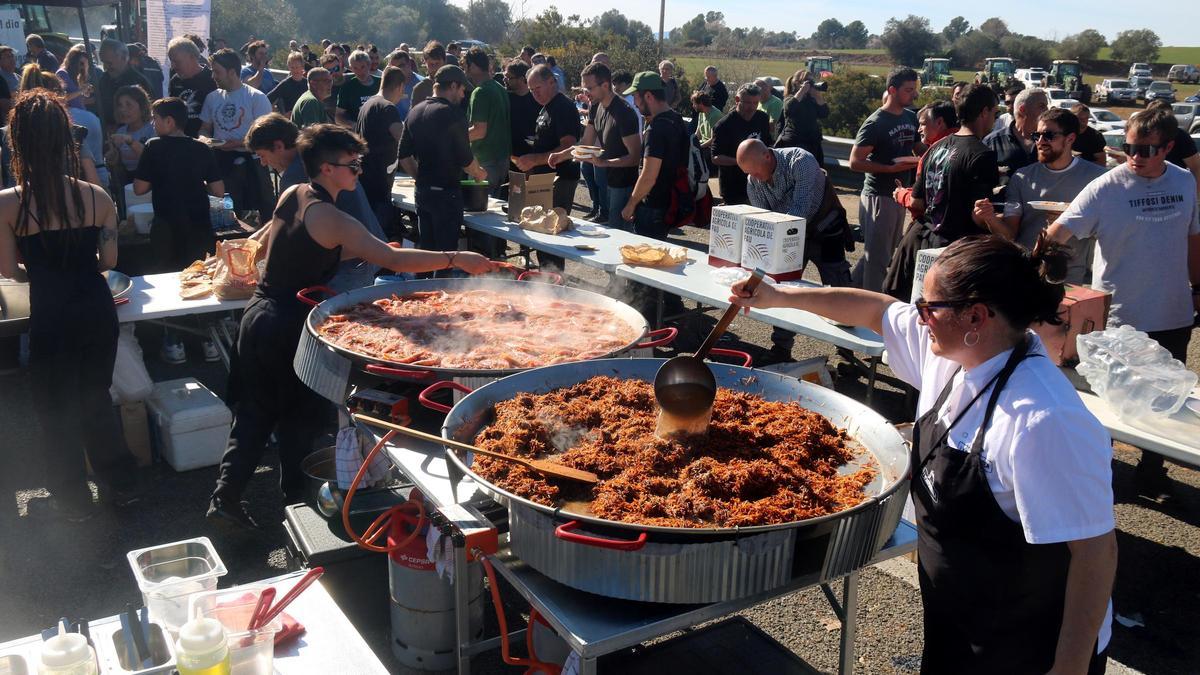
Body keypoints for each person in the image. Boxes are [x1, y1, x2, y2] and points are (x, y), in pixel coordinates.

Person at [729, 235, 1117, 675]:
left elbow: (1094, 553)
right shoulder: (954, 351)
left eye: (928, 308)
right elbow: (875, 310)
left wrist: (1068, 668)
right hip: (958, 618)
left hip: (1028, 645)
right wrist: (779, 296)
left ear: (976, 315)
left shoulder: (1043, 421)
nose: (919, 317)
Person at [209, 123, 498, 528]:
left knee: (254, 413)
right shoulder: (332, 216)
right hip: (290, 326)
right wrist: (456, 258)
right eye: (352, 165)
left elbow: (284, 248)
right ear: (327, 169)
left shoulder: (293, 195)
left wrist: (360, 249)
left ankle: (226, 497)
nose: (358, 172)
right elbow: (393, 262)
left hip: (258, 316)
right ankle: (300, 510)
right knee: (300, 419)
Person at [0, 90, 142, 520]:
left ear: (18, 143)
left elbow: (9, 270)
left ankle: (73, 500)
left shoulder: (8, 202)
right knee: (95, 398)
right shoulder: (97, 197)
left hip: (51, 312)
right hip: (95, 310)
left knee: (54, 408)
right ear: (68, 140)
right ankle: (121, 485)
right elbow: (109, 262)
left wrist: (42, 269)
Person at [1046, 107, 1200, 500]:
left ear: (1168, 147)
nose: (1135, 156)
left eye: (1146, 149)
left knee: (1165, 400)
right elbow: (1057, 233)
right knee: (1111, 401)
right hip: (1119, 319)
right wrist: (1042, 268)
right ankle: (1101, 475)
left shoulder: (1185, 182)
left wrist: (1198, 286)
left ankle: (1151, 473)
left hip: (1172, 311)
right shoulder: (1106, 186)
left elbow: (1193, 238)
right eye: (1128, 146)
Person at [246, 113, 385, 291]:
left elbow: (281, 225)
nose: (264, 163)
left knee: (338, 316)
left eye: (262, 155)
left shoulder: (296, 174)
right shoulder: (311, 156)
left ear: (278, 146)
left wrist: (249, 255)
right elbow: (278, 219)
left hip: (349, 265)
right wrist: (249, 245)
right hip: (362, 253)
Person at [739, 138, 852, 357]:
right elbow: (764, 219)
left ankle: (847, 350)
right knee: (783, 290)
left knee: (839, 289)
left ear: (767, 156)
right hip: (789, 236)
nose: (754, 178)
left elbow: (800, 210)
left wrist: (776, 236)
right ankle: (781, 347)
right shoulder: (753, 180)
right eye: (749, 173)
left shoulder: (800, 161)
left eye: (756, 171)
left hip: (824, 230)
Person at [984, 107, 1107, 284]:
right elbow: (1009, 234)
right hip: (1026, 275)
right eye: (1037, 135)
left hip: (1070, 279)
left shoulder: (1096, 179)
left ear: (1070, 138)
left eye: (1049, 135)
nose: (1040, 142)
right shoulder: (1022, 177)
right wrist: (990, 218)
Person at [396, 65, 487, 262]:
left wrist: (420, 177)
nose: (463, 95)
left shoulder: (415, 112)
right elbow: (466, 160)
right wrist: (480, 174)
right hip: (446, 195)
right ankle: (440, 292)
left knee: (426, 253)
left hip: (423, 193)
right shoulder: (453, 114)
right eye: (462, 90)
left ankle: (421, 289)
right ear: (453, 86)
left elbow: (403, 155)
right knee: (447, 257)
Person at [849, 66, 920, 292]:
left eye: (914, 89)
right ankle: (871, 313)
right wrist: (889, 169)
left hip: (899, 197)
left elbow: (920, 148)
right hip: (878, 197)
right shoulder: (876, 122)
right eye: (908, 90)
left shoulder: (911, 117)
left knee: (883, 254)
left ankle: (846, 290)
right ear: (892, 90)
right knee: (877, 261)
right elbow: (855, 161)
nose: (914, 94)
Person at [133, 97, 223, 273]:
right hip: (199, 225)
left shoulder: (153, 146)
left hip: (167, 226)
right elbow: (219, 191)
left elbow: (139, 188)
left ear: (169, 121)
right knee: (201, 275)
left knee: (168, 276)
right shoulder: (202, 148)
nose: (153, 123)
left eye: (155, 118)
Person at [549, 62, 641, 231]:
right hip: (608, 181)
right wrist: (562, 155)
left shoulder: (625, 113)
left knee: (619, 237)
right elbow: (585, 145)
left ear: (605, 85)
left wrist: (603, 163)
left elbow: (635, 158)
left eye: (589, 89)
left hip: (623, 185)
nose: (586, 94)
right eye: (584, 89)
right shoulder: (596, 106)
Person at [909, 84, 1001, 245]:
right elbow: (978, 215)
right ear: (984, 112)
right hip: (958, 247)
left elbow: (916, 202)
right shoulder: (982, 154)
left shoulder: (935, 147)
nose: (995, 119)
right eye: (996, 113)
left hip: (926, 239)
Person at [199, 48, 273, 220]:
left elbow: (265, 137)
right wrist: (203, 138)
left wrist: (235, 143)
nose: (213, 76)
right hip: (221, 163)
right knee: (224, 214)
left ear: (232, 72)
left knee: (260, 215)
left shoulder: (256, 98)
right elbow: (204, 127)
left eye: (217, 72)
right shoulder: (212, 98)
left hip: (252, 164)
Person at [621, 71, 690, 238]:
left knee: (644, 259)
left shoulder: (656, 129)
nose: (635, 104)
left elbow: (649, 176)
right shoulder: (677, 120)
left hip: (651, 207)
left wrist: (631, 204)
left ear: (649, 96)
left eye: (636, 97)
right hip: (669, 203)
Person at [514, 64, 581, 216]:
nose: (534, 93)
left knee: (553, 227)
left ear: (551, 82)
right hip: (545, 177)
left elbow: (568, 146)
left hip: (560, 178)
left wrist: (535, 159)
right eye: (531, 90)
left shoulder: (563, 107)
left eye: (537, 88)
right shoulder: (546, 107)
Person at [354, 66, 405, 220]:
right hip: (379, 183)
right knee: (383, 235)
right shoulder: (388, 108)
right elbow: (404, 140)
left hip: (366, 179)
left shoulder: (367, 104)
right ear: (400, 86)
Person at [712, 83, 772, 207]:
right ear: (737, 100)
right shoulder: (724, 125)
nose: (752, 107)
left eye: (755, 103)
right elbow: (716, 158)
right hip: (733, 186)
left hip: (758, 184)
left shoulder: (762, 118)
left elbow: (768, 145)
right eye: (748, 103)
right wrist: (742, 162)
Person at [464, 47, 511, 200]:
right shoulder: (499, 88)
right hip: (502, 160)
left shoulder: (480, 92)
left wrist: (455, 139)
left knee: (479, 213)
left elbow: (479, 131)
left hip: (485, 163)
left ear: (472, 66)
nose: (464, 70)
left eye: (465, 66)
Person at [984, 87, 1048, 195]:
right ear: (1023, 110)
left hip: (1040, 210)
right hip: (1003, 209)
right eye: (1042, 106)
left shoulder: (1050, 140)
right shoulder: (993, 143)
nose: (1047, 111)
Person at [775, 69, 829, 168]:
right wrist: (802, 91)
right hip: (795, 142)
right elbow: (789, 109)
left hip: (812, 142)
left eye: (812, 82)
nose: (811, 85)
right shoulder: (790, 98)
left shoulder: (812, 100)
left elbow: (824, 114)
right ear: (797, 83)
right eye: (808, 82)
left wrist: (818, 96)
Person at [105, 85, 155, 190]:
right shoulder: (120, 131)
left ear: (142, 106)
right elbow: (118, 164)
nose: (123, 110)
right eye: (120, 105)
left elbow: (151, 159)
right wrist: (112, 157)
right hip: (128, 184)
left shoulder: (153, 128)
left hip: (150, 182)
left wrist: (130, 141)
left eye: (129, 105)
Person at [167, 36, 216, 138]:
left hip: (207, 142)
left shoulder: (212, 78)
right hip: (182, 141)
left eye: (177, 61)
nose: (173, 66)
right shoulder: (175, 81)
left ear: (193, 57)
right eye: (171, 61)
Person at [97, 39, 151, 133]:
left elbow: (148, 112)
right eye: (103, 62)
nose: (106, 67)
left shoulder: (137, 81)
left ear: (124, 58)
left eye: (109, 63)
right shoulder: (104, 79)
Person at [1147, 99, 1200, 191]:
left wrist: (1195, 196)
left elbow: (1196, 168)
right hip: (1146, 187)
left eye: (1168, 116)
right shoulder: (1143, 135)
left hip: (1175, 189)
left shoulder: (1180, 136)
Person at [335, 50, 379, 127]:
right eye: (355, 68)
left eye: (362, 67)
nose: (360, 71)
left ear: (369, 65)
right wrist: (355, 126)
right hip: (359, 134)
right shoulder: (347, 88)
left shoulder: (381, 83)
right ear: (351, 68)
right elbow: (338, 117)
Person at [505, 59, 538, 159]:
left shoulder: (537, 98)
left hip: (533, 155)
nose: (505, 80)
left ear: (521, 78)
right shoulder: (506, 98)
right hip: (511, 155)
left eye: (509, 77)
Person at [267, 51, 308, 116]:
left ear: (302, 66)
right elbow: (267, 100)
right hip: (290, 122)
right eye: (292, 67)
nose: (295, 70)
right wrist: (279, 115)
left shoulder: (308, 84)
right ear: (289, 67)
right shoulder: (285, 84)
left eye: (297, 67)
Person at [55, 44, 93, 110]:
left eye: (85, 64)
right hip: (71, 113)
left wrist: (86, 91)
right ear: (73, 61)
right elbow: (60, 98)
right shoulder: (62, 73)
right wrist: (80, 91)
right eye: (81, 63)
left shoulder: (77, 75)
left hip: (80, 111)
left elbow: (78, 98)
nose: (82, 67)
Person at [388, 49, 422, 120]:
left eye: (401, 65)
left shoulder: (422, 83)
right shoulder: (389, 85)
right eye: (395, 67)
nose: (398, 70)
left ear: (409, 64)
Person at [411, 41, 445, 107]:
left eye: (437, 63)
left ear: (444, 61)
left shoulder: (453, 85)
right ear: (425, 63)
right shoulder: (420, 89)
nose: (435, 68)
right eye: (431, 64)